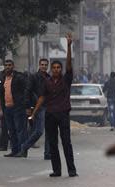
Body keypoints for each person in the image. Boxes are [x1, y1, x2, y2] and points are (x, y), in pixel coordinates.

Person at [31, 33, 77, 177]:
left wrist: (69, 46)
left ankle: (71, 170)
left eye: (58, 67)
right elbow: (42, 97)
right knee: (52, 143)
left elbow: (69, 65)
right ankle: (56, 170)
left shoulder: (66, 79)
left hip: (63, 114)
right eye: (54, 67)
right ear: (51, 69)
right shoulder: (47, 82)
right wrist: (34, 112)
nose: (56, 69)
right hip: (50, 114)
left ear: (61, 69)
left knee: (66, 143)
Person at [16, 58, 51, 158]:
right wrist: (28, 107)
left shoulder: (49, 78)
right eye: (42, 65)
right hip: (38, 107)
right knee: (39, 131)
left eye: (45, 65)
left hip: (49, 107)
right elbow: (27, 91)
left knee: (49, 131)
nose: (44, 66)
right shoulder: (34, 77)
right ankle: (24, 147)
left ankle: (48, 153)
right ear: (39, 66)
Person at [0, 59, 28, 157]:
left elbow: (26, 90)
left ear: (13, 66)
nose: (8, 67)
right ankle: (15, 150)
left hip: (18, 108)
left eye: (9, 65)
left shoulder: (19, 77)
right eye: (6, 65)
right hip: (7, 108)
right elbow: (0, 95)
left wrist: (25, 104)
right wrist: (1, 109)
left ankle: (22, 151)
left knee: (20, 130)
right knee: (11, 130)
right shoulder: (2, 78)